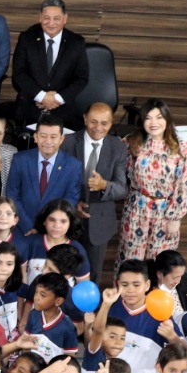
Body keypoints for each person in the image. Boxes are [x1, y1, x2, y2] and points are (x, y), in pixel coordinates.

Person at [60, 102, 129, 275]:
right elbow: (58, 182)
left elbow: (122, 189)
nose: (98, 128)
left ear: (111, 123)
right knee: (63, 271)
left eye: (104, 123)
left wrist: (104, 185)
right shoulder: (67, 142)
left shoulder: (118, 147)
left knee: (93, 274)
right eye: (93, 121)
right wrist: (73, 203)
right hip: (67, 221)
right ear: (85, 119)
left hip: (100, 222)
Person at [119, 99, 187, 261]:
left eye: (159, 117)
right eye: (148, 118)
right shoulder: (132, 142)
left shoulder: (181, 148)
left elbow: (183, 185)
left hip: (164, 213)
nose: (154, 122)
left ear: (167, 119)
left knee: (159, 262)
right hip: (136, 209)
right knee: (131, 261)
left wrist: (175, 218)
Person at [11, 0, 90, 131]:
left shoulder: (76, 43)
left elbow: (82, 78)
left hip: (63, 109)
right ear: (40, 18)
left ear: (65, 19)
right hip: (31, 107)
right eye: (46, 18)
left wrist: (57, 99)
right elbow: (19, 73)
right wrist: (42, 97)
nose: (51, 23)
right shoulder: (26, 39)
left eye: (56, 18)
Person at [6, 115, 82, 234]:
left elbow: (70, 200)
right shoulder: (20, 160)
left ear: (62, 139)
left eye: (53, 137)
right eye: (43, 136)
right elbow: (12, 195)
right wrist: (28, 226)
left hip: (54, 232)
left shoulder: (73, 165)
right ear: (35, 137)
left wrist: (49, 226)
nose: (48, 142)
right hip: (22, 230)